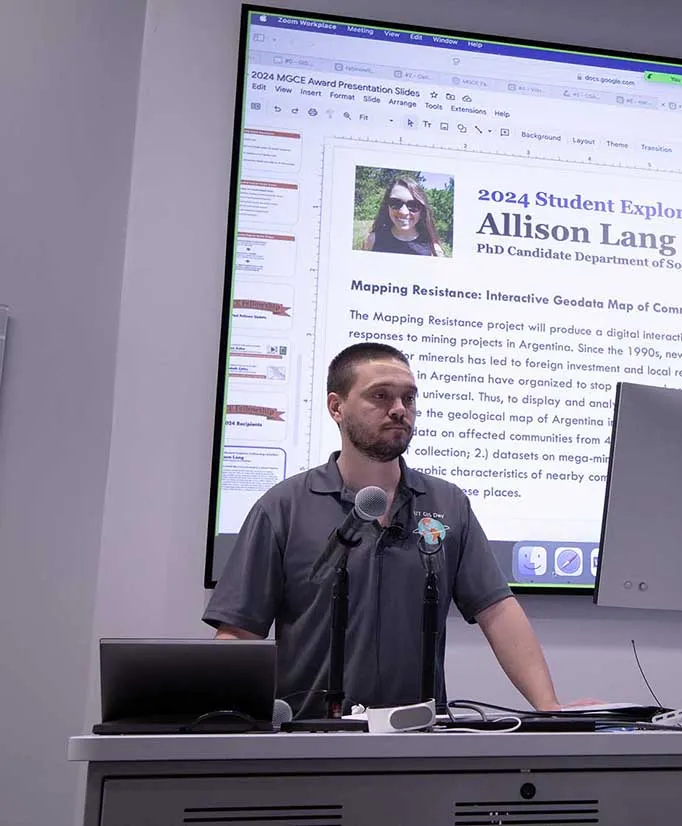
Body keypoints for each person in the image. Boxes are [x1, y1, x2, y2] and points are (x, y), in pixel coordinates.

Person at [203, 342, 562, 717]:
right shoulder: (284, 507)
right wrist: (222, 725)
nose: (399, 410)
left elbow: (497, 610)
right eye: (381, 396)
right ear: (336, 407)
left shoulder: (448, 503)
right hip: (308, 743)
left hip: (417, 742)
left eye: (409, 398)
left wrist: (548, 705)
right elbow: (240, 632)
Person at [362, 177, 445, 256]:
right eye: (395, 203)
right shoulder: (371, 241)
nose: (403, 212)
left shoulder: (433, 251)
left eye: (413, 205)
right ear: (387, 206)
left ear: (422, 210)